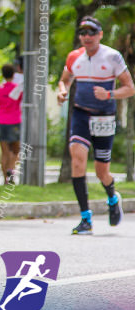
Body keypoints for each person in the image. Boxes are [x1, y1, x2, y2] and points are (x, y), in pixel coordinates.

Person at [55, 16, 134, 235]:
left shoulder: (112, 57)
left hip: (104, 117)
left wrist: (109, 94)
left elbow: (130, 88)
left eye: (92, 33)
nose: (87, 37)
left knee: (102, 171)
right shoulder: (74, 57)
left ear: (100, 35)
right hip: (80, 114)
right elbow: (65, 80)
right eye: (83, 33)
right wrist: (62, 91)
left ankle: (111, 196)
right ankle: (85, 219)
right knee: (77, 161)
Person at [0, 64, 23, 185]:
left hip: (0, 121)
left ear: (2, 74)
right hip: (15, 121)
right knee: (15, 151)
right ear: (13, 75)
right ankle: (11, 169)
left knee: (4, 152)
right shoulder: (17, 88)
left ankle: (5, 180)